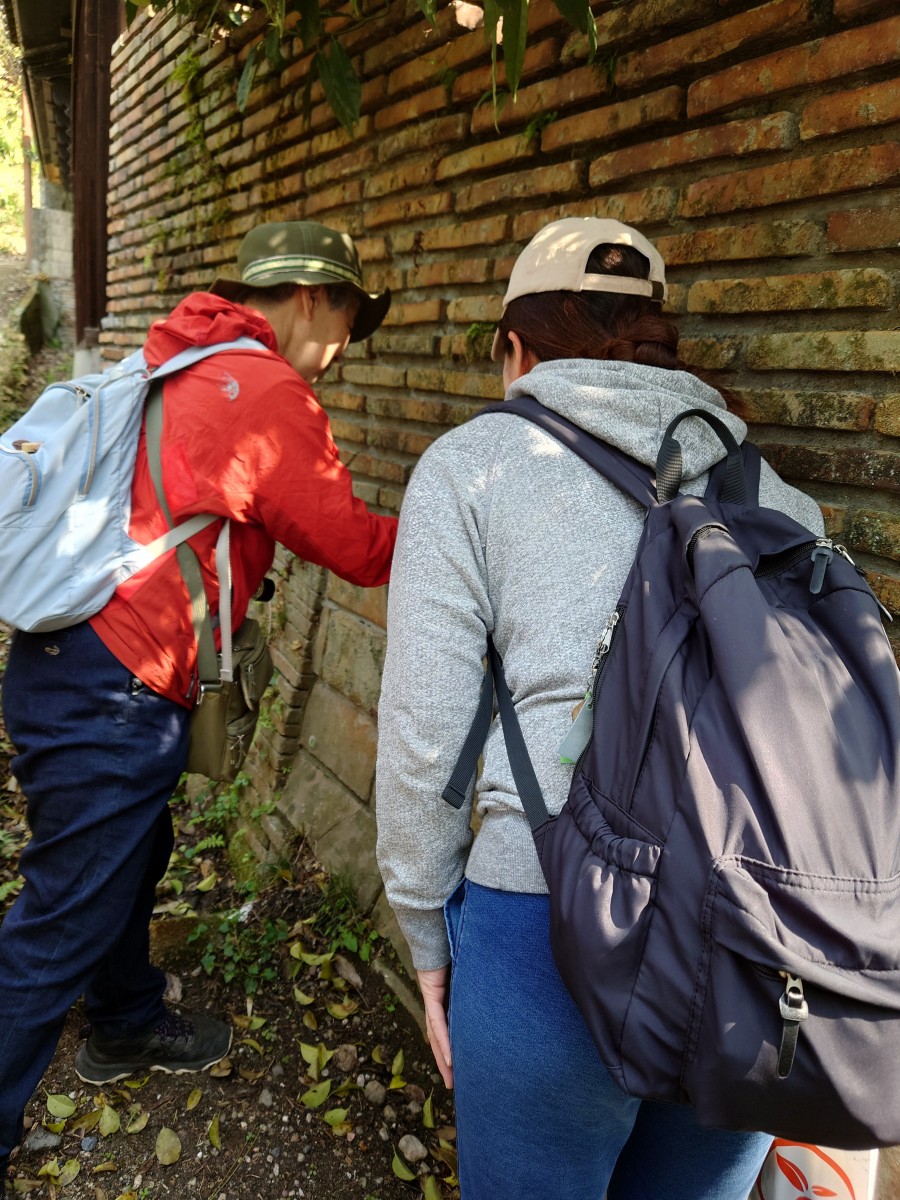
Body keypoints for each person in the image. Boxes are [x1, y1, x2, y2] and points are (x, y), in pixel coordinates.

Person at [375, 217, 826, 1200]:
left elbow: (423, 737)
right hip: (751, 940)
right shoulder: (782, 499)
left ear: (514, 350)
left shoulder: (471, 470)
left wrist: (424, 934)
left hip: (548, 930)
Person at [0, 220, 397, 1189]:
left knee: (134, 855)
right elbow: (351, 541)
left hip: (73, 667)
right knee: (58, 923)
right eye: (349, 319)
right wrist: (475, 528)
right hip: (113, 687)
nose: (346, 349)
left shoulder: (184, 356)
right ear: (311, 298)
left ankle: (127, 1022)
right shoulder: (264, 388)